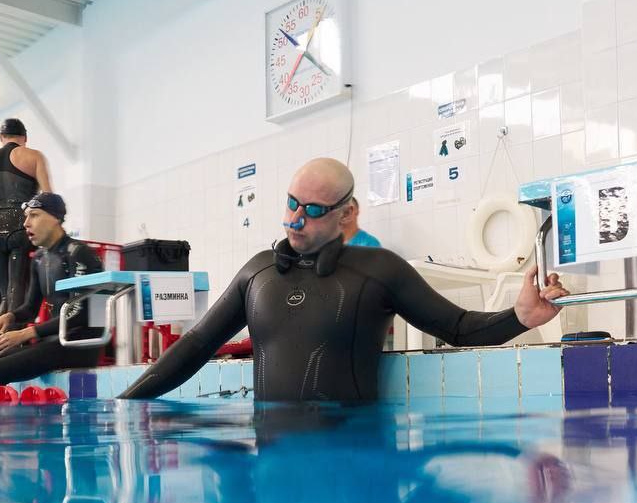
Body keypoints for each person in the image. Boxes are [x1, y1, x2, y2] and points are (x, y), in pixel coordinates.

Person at [120, 157, 567, 403]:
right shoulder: (258, 272)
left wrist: (519, 317)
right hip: (272, 461)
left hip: (351, 456)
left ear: (346, 213)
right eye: (292, 203)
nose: (296, 219)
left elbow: (459, 328)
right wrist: (125, 402)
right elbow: (197, 345)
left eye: (313, 210)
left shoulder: (379, 270)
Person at [0, 192, 104, 396]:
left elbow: (80, 315)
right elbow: (30, 308)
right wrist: (10, 316)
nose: (26, 223)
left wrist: (25, 334)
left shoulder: (79, 253)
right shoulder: (40, 258)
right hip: (51, 342)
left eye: (34, 215)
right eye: (26, 216)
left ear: (55, 218)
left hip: (79, 345)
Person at [0, 118, 52, 315]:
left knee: (5, 296)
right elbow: (48, 199)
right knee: (17, 294)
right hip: (21, 225)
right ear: (25, 138)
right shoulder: (34, 156)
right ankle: (12, 332)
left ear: (1, 137)